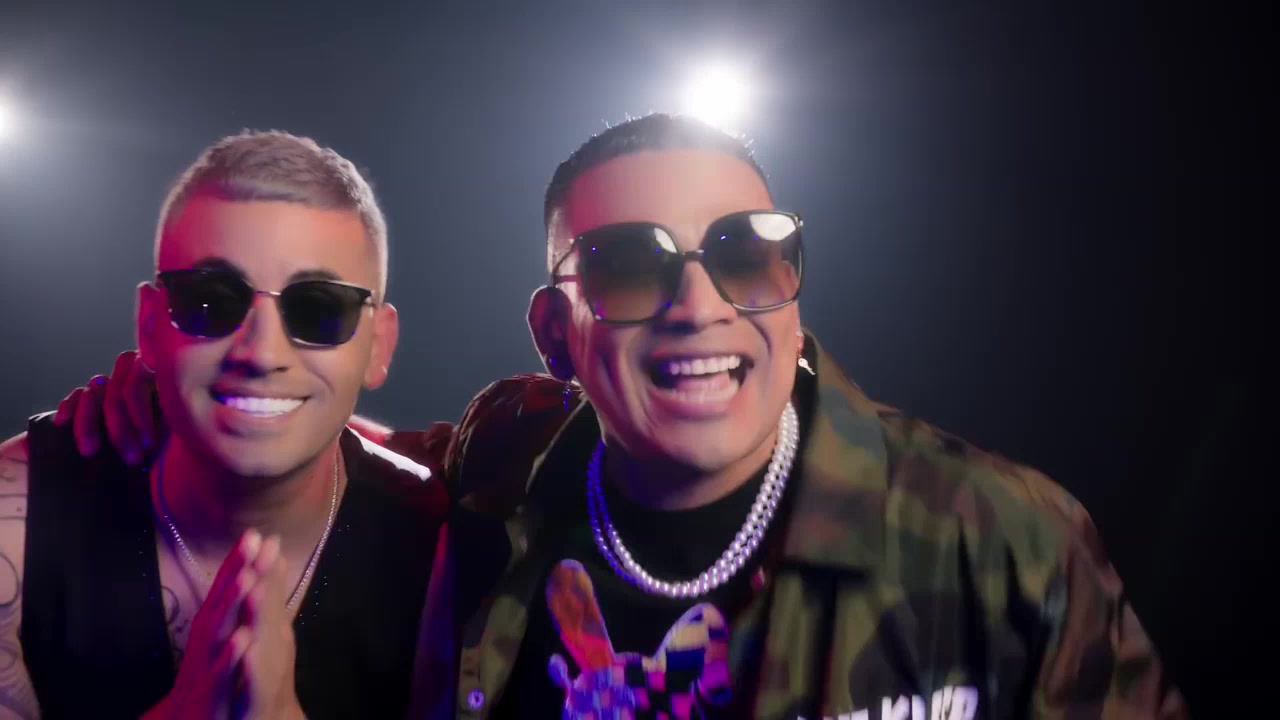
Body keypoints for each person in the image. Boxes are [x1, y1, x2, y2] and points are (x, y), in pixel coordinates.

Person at [58, 114, 1187, 719]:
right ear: (554, 332)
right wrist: (180, 391)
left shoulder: (993, 538)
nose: (699, 306)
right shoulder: (497, 482)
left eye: (745, 253)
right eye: (629, 267)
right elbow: (325, 438)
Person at [0, 130, 445, 719]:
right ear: (149, 326)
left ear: (378, 346)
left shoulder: (446, 544)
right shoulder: (17, 517)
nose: (261, 353)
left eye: (318, 308)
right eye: (210, 300)